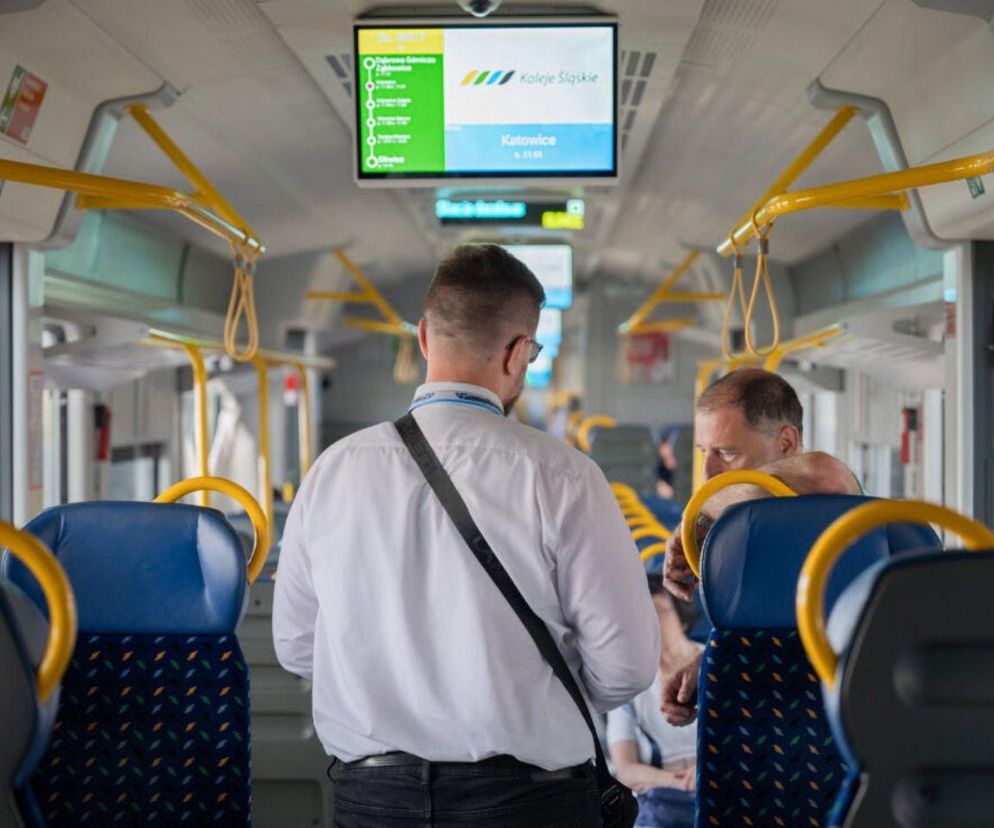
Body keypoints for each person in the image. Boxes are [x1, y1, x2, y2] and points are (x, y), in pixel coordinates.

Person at [273, 244, 660, 827]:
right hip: (529, 800)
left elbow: (297, 646)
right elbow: (627, 665)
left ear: (424, 339)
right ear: (518, 352)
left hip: (375, 799)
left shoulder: (333, 469)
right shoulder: (564, 475)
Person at [660, 368, 860, 726]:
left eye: (727, 453)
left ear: (785, 442)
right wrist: (707, 663)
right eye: (704, 451)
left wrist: (702, 511)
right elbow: (763, 634)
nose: (708, 473)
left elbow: (824, 472)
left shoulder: (831, 504)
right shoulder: (740, 533)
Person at [607, 575, 700, 827]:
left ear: (681, 615)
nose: (647, 622)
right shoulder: (630, 686)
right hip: (661, 796)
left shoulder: (711, 664)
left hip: (720, 780)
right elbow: (625, 770)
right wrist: (673, 781)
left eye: (657, 610)